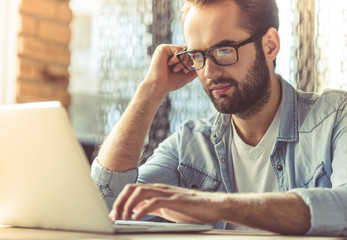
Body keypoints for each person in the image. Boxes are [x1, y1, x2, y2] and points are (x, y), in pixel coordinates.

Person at [91, 0, 347, 236]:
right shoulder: (189, 146)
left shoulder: (334, 117)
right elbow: (102, 208)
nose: (209, 72)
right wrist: (151, 89)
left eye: (224, 50)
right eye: (197, 56)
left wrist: (214, 206)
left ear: (270, 45)